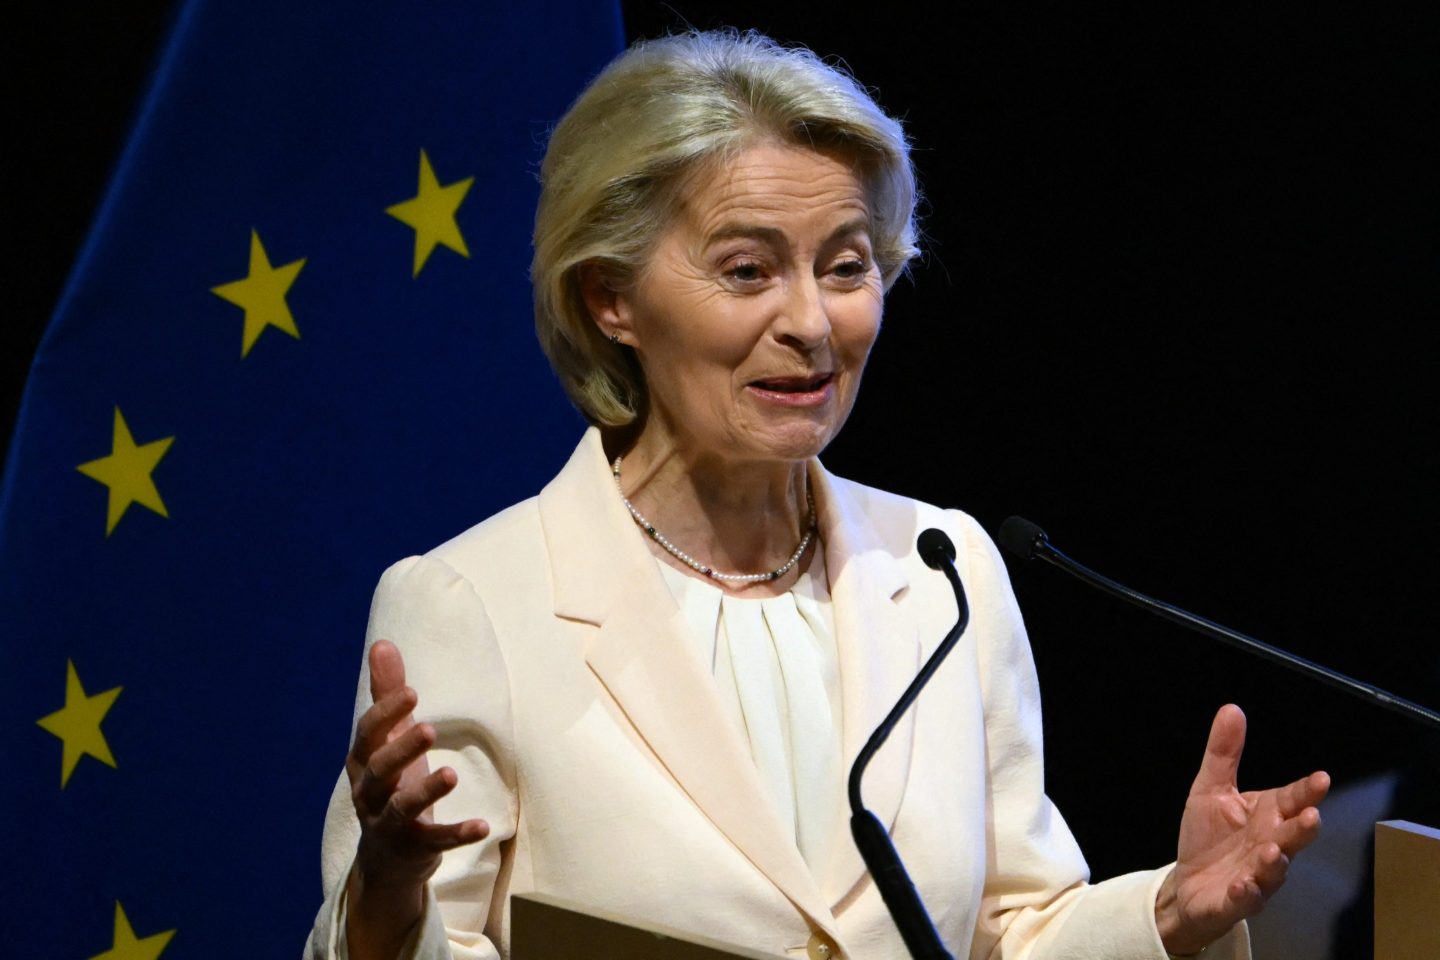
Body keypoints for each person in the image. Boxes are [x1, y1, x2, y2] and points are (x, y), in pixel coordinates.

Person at [305, 29, 1329, 960]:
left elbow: (1007, 932)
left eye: (845, 267)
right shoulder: (474, 604)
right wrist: (389, 897)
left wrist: (1167, 914)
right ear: (609, 296)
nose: (812, 322)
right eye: (747, 270)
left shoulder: (944, 570)